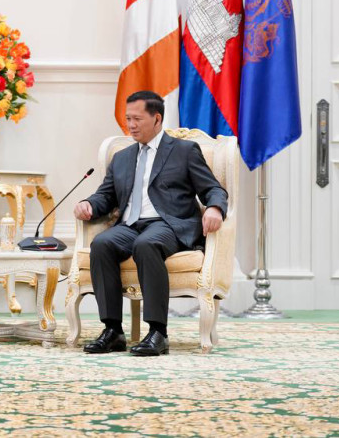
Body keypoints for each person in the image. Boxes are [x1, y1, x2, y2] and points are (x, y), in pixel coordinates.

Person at [74, 90, 227, 356]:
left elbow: (213, 188)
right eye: (128, 119)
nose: (131, 125)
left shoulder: (184, 151)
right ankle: (113, 331)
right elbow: (106, 196)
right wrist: (88, 204)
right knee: (102, 244)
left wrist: (214, 208)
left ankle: (158, 332)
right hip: (129, 226)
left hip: (168, 224)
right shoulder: (122, 157)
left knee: (147, 244)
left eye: (137, 119)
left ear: (157, 119)